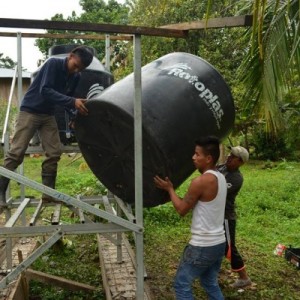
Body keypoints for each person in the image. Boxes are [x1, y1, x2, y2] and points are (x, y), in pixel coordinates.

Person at [0, 46, 93, 207]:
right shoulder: (53, 64)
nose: (76, 70)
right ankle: (0, 192)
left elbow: (67, 98)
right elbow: (45, 90)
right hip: (29, 111)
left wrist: (73, 115)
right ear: (70, 56)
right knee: (16, 153)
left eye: (80, 69)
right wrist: (73, 102)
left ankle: (48, 193)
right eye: (75, 65)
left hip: (47, 115)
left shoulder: (75, 76)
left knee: (54, 152)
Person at [154, 136, 227, 300]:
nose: (193, 158)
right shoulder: (221, 177)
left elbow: (181, 209)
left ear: (208, 158)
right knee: (209, 283)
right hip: (219, 243)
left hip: (203, 245)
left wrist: (170, 189)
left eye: (197, 154)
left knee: (181, 283)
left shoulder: (200, 181)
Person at [217, 146, 252, 288]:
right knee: (215, 242)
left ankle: (244, 278)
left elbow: (215, 190)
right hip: (216, 214)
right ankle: (214, 270)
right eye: (230, 154)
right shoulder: (221, 167)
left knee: (229, 247)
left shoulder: (236, 178)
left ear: (240, 162)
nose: (229, 157)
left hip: (226, 217)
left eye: (233, 157)